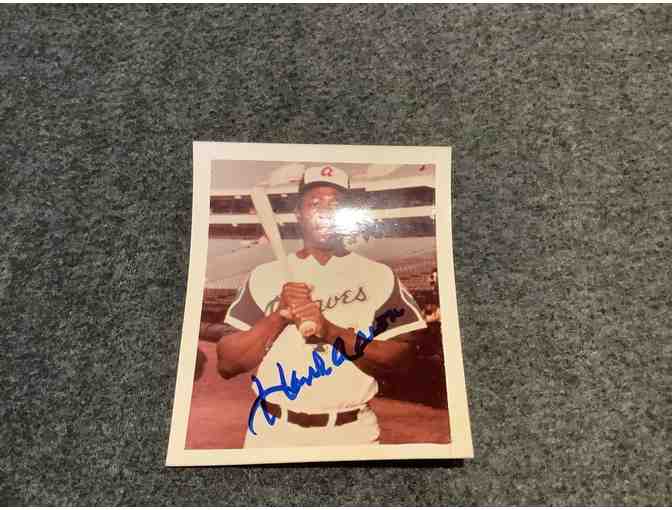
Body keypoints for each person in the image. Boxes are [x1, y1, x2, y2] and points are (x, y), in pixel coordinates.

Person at [209, 165, 428, 447]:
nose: (325, 211)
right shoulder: (264, 276)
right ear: (298, 214)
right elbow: (227, 364)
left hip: (352, 434)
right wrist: (279, 316)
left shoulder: (378, 276)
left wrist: (329, 331)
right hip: (272, 432)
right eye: (314, 203)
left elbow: (401, 361)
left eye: (336, 204)